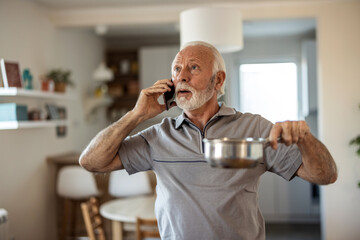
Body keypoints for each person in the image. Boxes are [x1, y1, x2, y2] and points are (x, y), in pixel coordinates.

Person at [79, 41, 337, 240]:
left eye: (193, 67)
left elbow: (326, 175)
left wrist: (305, 139)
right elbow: (91, 161)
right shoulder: (159, 135)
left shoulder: (254, 127)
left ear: (219, 80)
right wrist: (136, 115)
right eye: (177, 69)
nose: (181, 77)